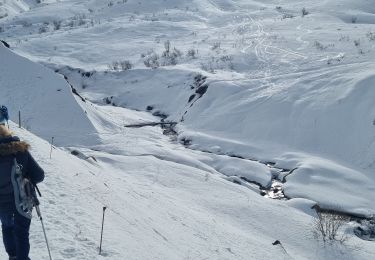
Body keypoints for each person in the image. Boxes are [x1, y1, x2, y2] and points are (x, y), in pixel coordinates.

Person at [0, 106, 44, 260]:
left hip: (2, 205)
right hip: (22, 202)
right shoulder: (20, 151)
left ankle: (12, 256)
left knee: (6, 227)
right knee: (21, 233)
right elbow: (39, 175)